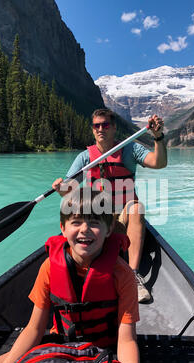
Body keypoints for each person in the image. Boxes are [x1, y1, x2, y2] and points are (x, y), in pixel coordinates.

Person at [0, 188, 155, 363]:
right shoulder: (50, 268)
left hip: (104, 351)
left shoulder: (121, 274)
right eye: (76, 222)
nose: (85, 230)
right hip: (60, 345)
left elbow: (126, 340)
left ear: (109, 231)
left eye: (95, 223)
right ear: (63, 228)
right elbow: (34, 329)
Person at [52, 109, 167, 303]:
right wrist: (59, 187)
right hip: (98, 218)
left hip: (123, 215)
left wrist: (158, 137)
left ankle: (133, 275)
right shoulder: (84, 158)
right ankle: (80, 270)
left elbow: (159, 163)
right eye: (96, 126)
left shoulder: (131, 149)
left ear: (113, 128)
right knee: (77, 212)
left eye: (105, 125)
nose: (100, 129)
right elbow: (68, 189)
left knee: (137, 208)